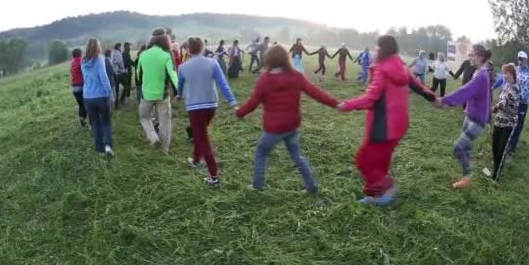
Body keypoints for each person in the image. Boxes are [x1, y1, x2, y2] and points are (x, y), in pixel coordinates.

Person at [338, 35, 437, 205]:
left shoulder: (383, 69)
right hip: (399, 126)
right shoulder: (401, 66)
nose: (375, 50)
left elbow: (370, 99)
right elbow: (418, 87)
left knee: (364, 162)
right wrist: (436, 99)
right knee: (381, 161)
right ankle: (375, 196)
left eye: (377, 47)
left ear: (382, 49)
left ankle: (388, 187)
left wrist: (346, 105)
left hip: (382, 127)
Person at [237, 45, 339, 194]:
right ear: (286, 59)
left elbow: (253, 102)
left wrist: (240, 113)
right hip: (292, 126)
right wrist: (335, 103)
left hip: (274, 129)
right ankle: (312, 187)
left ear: (268, 60)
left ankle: (258, 186)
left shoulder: (265, 79)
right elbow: (315, 92)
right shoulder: (296, 76)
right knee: (297, 156)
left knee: (261, 153)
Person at [177, 38, 238, 186]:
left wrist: (179, 95)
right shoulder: (212, 62)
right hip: (211, 106)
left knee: (203, 139)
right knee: (201, 134)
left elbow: (180, 85)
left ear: (187, 49)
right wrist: (233, 102)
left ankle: (214, 177)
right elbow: (223, 84)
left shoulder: (183, 67)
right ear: (203, 47)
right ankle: (196, 160)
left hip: (194, 107)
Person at [436, 44, 493, 189]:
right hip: (470, 115)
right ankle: (466, 178)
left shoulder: (482, 75)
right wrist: (466, 108)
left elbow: (465, 91)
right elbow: (473, 95)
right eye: (469, 55)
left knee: (459, 147)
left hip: (478, 121)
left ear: (480, 57)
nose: (470, 58)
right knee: (465, 148)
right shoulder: (479, 71)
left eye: (472, 55)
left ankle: (466, 171)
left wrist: (444, 100)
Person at [136, 29, 178, 155]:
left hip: (147, 94)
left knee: (144, 118)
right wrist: (178, 91)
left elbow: (138, 74)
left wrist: (141, 83)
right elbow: (173, 75)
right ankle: (164, 150)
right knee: (165, 122)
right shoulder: (166, 55)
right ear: (165, 41)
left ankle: (153, 137)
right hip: (163, 95)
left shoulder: (143, 54)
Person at [493, 51, 529, 157]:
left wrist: (515, 97)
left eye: (522, 59)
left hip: (522, 103)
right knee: (508, 121)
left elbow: (527, 90)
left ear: (526, 60)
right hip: (509, 100)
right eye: (519, 59)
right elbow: (504, 79)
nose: (520, 61)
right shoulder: (514, 69)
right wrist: (495, 87)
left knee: (518, 124)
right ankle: (505, 142)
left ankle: (511, 147)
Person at [81, 38, 114, 156]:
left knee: (95, 123)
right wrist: (110, 93)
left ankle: (99, 150)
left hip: (87, 97)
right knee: (106, 122)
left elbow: (85, 78)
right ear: (98, 47)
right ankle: (108, 147)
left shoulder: (83, 61)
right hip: (100, 95)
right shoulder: (100, 59)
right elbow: (104, 77)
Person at [491, 63, 520, 181]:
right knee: (494, 146)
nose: (504, 75)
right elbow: (502, 99)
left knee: (501, 150)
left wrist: (494, 108)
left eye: (506, 73)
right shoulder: (506, 85)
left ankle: (495, 177)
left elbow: (503, 102)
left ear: (512, 74)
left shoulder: (515, 88)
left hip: (508, 123)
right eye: (503, 73)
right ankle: (495, 168)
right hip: (498, 121)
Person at [70, 48, 87, 127]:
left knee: (81, 105)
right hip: (81, 85)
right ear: (79, 54)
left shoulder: (72, 62)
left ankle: (81, 118)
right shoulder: (81, 60)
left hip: (74, 87)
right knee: (86, 104)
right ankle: (84, 119)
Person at [111, 43, 127, 109]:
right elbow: (119, 62)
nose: (121, 48)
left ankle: (116, 105)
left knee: (116, 89)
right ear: (118, 47)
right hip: (119, 73)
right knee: (126, 84)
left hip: (114, 72)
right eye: (120, 47)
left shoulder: (112, 52)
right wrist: (123, 70)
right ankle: (122, 99)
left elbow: (113, 62)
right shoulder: (118, 53)